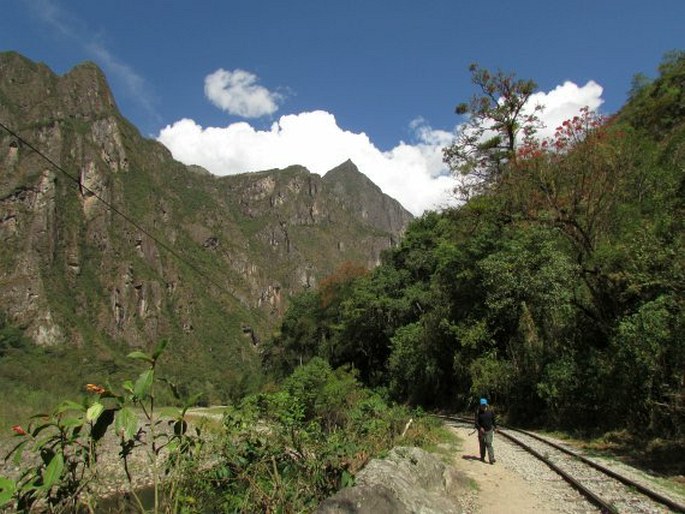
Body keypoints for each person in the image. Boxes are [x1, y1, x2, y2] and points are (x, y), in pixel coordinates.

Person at [475, 397, 497, 464]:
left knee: (489, 443)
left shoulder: (491, 411)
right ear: (480, 405)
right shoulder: (478, 412)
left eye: (484, 405)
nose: (483, 406)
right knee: (482, 444)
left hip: (489, 430)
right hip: (482, 431)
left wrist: (495, 427)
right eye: (482, 405)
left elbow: (494, 420)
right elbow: (476, 422)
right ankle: (482, 457)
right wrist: (480, 428)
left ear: (486, 404)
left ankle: (491, 458)